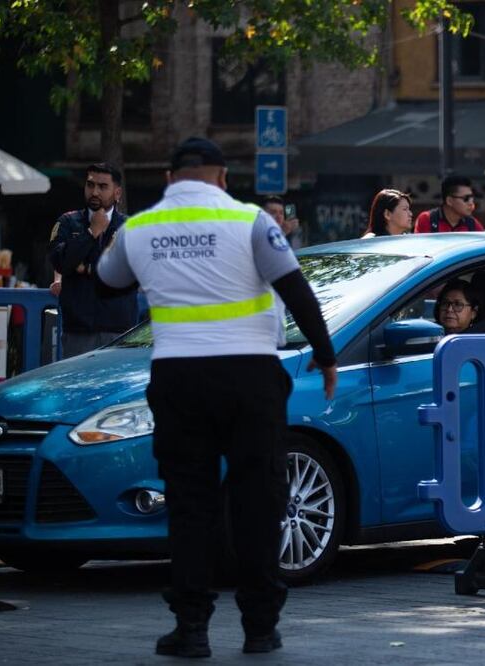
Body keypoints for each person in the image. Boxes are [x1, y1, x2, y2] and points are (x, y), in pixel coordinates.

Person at [97, 137, 338, 658]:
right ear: (223, 178)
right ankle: (259, 628)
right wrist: (325, 354)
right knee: (258, 500)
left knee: (190, 504)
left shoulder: (139, 228)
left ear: (168, 179)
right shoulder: (252, 221)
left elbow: (108, 282)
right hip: (250, 376)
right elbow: (297, 288)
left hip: (178, 378)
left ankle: (191, 628)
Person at [48, 163, 139, 357]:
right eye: (90, 185)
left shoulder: (130, 226)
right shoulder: (68, 222)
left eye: (102, 186)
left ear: (117, 193)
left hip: (119, 331)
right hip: (78, 331)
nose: (94, 192)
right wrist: (91, 233)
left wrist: (84, 267)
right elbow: (60, 263)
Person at [414, 176, 484, 233]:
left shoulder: (473, 225)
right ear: (449, 201)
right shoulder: (428, 219)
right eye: (466, 198)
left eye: (472, 198)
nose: (471, 203)